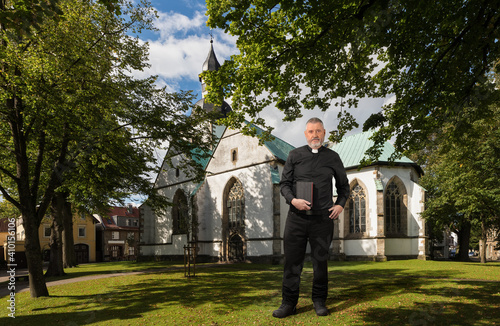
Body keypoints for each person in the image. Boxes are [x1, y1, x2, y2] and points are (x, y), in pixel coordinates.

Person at [273, 117, 350, 318]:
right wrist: (293, 200)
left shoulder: (333, 157)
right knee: (292, 263)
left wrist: (340, 204)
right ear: (305, 134)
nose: (314, 135)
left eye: (318, 131)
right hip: (296, 218)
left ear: (324, 133)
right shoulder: (294, 155)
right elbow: (284, 184)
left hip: (322, 221)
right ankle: (289, 303)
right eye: (310, 131)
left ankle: (319, 301)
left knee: (320, 263)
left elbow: (344, 186)